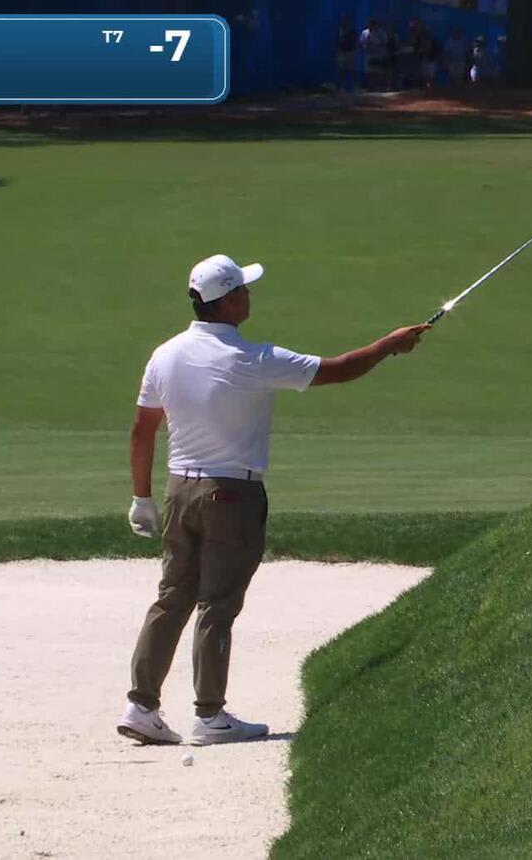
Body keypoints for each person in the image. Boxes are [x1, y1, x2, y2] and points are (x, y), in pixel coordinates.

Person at [119, 254, 430, 746]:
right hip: (232, 494)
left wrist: (141, 496)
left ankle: (141, 705)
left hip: (179, 489)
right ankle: (209, 715)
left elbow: (143, 429)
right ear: (227, 302)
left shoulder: (165, 354)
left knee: (172, 597)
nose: (250, 295)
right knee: (217, 603)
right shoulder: (252, 359)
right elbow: (341, 370)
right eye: (243, 289)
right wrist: (389, 345)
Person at [335, 14, 358, 92]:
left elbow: (353, 43)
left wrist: (351, 48)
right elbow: (338, 42)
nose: (344, 22)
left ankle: (354, 87)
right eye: (343, 21)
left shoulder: (352, 32)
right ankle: (340, 87)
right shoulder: (340, 31)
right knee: (341, 70)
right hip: (342, 52)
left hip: (349, 53)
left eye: (346, 21)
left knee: (351, 70)